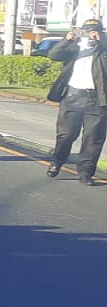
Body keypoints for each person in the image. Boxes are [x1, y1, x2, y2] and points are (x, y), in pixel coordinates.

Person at [45, 18, 106, 185]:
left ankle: (86, 173)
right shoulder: (74, 47)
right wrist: (67, 39)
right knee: (66, 135)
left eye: (94, 31)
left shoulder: (104, 48)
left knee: (93, 138)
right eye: (87, 30)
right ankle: (57, 162)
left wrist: (101, 43)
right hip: (73, 97)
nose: (90, 34)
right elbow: (53, 55)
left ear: (101, 32)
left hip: (97, 100)